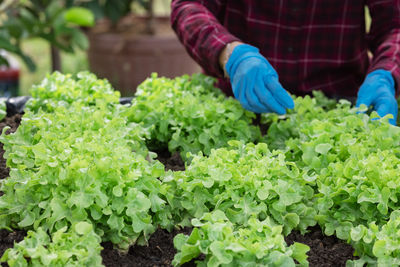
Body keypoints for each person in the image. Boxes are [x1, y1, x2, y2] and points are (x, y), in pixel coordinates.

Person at [171, 1, 400, 125]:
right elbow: (189, 7)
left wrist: (386, 74)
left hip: (340, 110)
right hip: (239, 107)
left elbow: (394, 24)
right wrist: (229, 53)